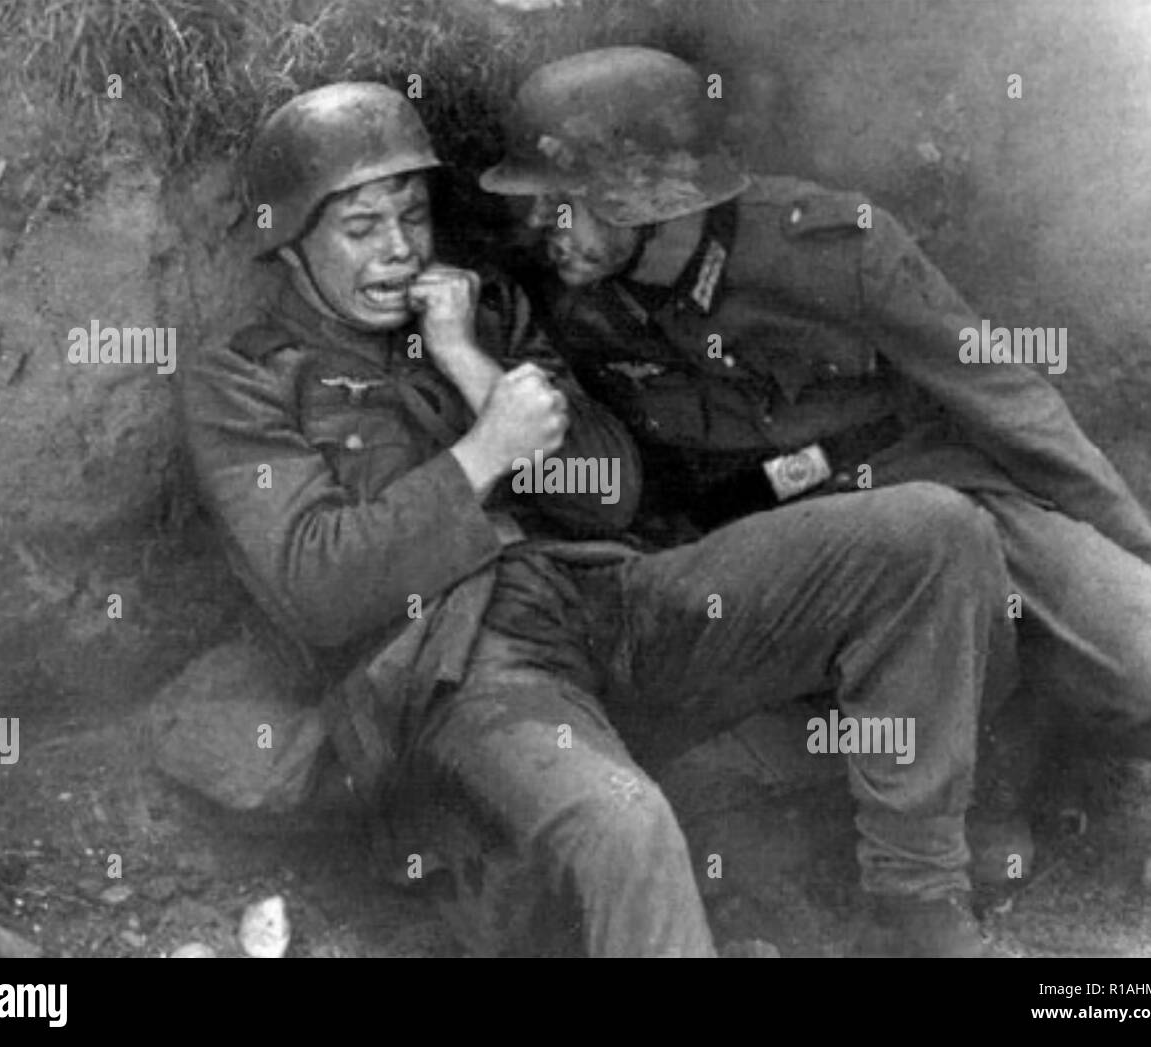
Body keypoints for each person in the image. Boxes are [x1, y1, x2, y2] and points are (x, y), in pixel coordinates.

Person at [180, 81, 1014, 957]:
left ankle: (918, 910)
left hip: (607, 600)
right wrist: (482, 454)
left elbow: (611, 491)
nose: (397, 249)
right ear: (291, 245)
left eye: (413, 217)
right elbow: (316, 588)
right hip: (457, 669)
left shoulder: (483, 312)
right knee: (629, 827)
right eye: (360, 228)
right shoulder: (244, 379)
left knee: (931, 531)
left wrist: (471, 364)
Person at [479, 46, 1151, 885]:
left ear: (644, 198)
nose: (542, 229)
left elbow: (1009, 400)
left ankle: (1030, 739)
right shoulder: (573, 306)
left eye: (564, 205)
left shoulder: (832, 245)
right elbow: (607, 484)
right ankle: (977, 777)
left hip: (938, 485)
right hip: (793, 548)